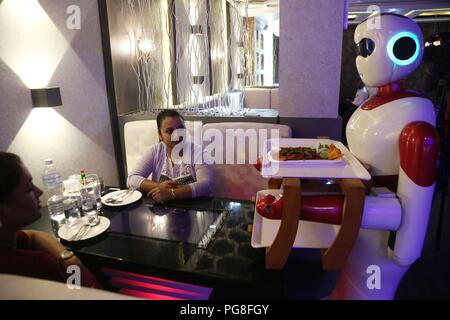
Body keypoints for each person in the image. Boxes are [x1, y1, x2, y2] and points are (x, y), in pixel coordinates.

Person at [0, 152, 98, 288]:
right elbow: (84, 292)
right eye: (28, 188)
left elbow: (32, 235)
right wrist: (75, 267)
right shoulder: (35, 264)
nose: (39, 191)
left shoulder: (7, 239)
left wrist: (67, 258)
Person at [127, 110, 213, 203]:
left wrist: (172, 193)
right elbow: (132, 178)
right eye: (169, 131)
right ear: (160, 135)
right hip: (162, 212)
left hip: (193, 210)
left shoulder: (198, 152)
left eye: (180, 129)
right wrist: (159, 187)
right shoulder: (156, 151)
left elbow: (207, 185)